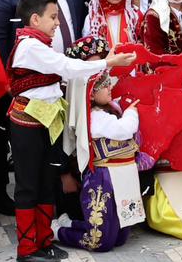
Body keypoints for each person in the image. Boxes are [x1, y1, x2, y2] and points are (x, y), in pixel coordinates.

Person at [6, 0, 135, 262]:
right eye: (53, 17)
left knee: (45, 183)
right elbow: (67, 67)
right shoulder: (29, 46)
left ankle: (43, 241)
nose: (56, 23)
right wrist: (108, 62)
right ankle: (27, 248)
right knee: (29, 186)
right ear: (35, 18)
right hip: (26, 124)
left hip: (46, 121)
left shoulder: (41, 44)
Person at [59, 74, 145, 252]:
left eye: (109, 84)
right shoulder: (93, 117)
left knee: (119, 238)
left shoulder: (111, 109)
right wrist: (131, 112)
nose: (109, 88)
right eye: (104, 86)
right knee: (99, 241)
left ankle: (71, 223)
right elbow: (124, 130)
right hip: (104, 178)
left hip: (125, 176)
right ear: (90, 93)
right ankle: (58, 231)